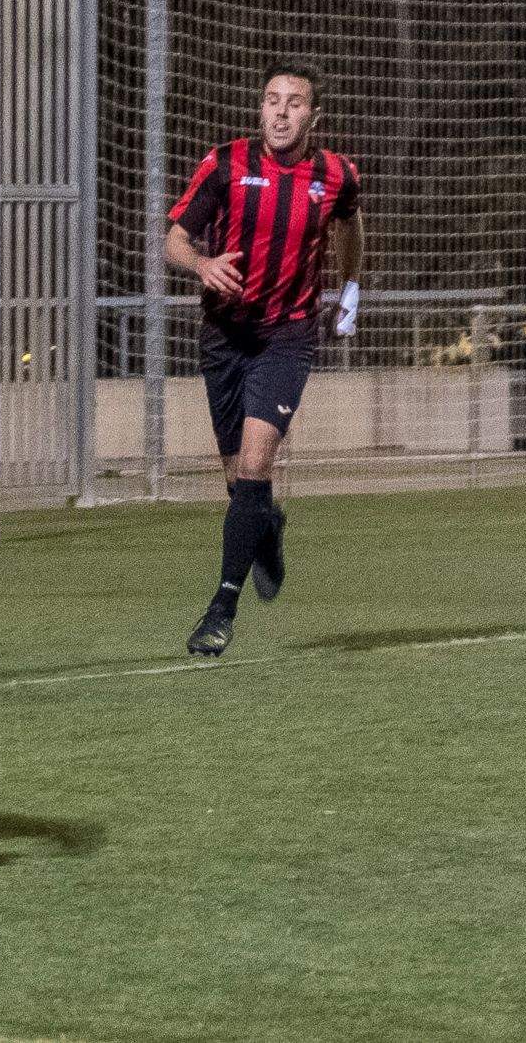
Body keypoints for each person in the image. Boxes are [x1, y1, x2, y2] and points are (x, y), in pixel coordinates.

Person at [164, 62, 365, 657]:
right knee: (240, 487)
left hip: (288, 335)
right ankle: (268, 525)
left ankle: (220, 610)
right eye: (272, 100)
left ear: (313, 116)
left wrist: (350, 287)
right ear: (260, 109)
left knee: (253, 466)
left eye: (294, 102)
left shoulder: (335, 175)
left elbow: (351, 225)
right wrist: (201, 264)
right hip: (225, 336)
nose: (280, 111)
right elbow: (173, 236)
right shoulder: (225, 163)